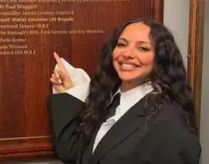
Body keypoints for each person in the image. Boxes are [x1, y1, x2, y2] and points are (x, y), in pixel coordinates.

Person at [48, 18, 201, 164]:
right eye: (122, 45)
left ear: (160, 58)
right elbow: (76, 152)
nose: (127, 54)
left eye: (143, 48)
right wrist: (71, 92)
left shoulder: (170, 122)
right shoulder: (109, 102)